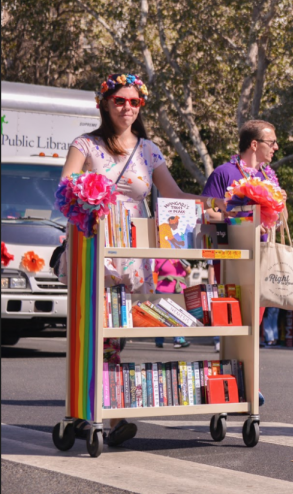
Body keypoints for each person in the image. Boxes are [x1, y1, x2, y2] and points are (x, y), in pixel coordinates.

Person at [60, 73, 225, 447]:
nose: (127, 108)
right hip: (93, 246)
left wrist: (218, 207)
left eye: (134, 102)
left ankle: (103, 414)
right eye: (120, 100)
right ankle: (97, 412)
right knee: (92, 332)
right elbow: (66, 187)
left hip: (132, 254)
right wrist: (87, 201)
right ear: (104, 103)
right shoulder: (85, 144)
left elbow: (173, 195)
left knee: (115, 335)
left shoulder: (149, 150)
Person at [201, 119, 281, 402]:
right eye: (271, 143)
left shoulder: (270, 178)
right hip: (231, 258)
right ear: (255, 144)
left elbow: (276, 218)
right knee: (233, 323)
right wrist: (244, 219)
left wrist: (274, 219)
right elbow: (207, 213)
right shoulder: (224, 173)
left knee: (252, 324)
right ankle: (231, 382)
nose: (276, 147)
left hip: (259, 258)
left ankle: (249, 382)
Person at [154, 258, 190, 349]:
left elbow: (188, 272)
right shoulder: (159, 258)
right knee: (161, 316)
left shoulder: (180, 259)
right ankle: (159, 340)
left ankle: (179, 340)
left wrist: (186, 268)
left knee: (179, 315)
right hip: (163, 290)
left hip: (179, 289)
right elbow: (153, 272)